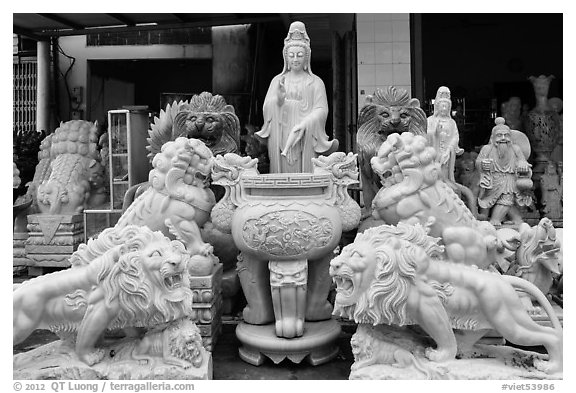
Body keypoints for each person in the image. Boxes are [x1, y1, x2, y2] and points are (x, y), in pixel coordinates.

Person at [256, 21, 338, 173]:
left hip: (306, 133)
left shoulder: (315, 82)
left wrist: (306, 123)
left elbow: (321, 110)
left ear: (306, 57)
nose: (295, 59)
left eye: (300, 55)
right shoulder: (278, 80)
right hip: (282, 131)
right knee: (282, 166)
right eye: (291, 55)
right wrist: (279, 100)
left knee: (305, 170)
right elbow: (267, 107)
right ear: (285, 57)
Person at [476, 117, 532, 225]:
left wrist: (522, 164)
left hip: (509, 180)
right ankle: (517, 221)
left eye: (506, 135)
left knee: (506, 200)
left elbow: (523, 160)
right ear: (493, 137)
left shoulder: (515, 149)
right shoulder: (487, 149)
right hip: (491, 180)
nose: (503, 138)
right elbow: (478, 162)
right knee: (490, 202)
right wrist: (483, 164)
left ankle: (495, 221)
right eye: (499, 135)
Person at [427, 86, 463, 183]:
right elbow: (425, 136)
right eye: (442, 106)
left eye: (446, 107)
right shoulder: (430, 120)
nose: (444, 109)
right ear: (437, 107)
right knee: (433, 173)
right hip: (434, 153)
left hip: (446, 153)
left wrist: (448, 151)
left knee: (445, 175)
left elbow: (455, 138)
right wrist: (435, 133)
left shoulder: (452, 122)